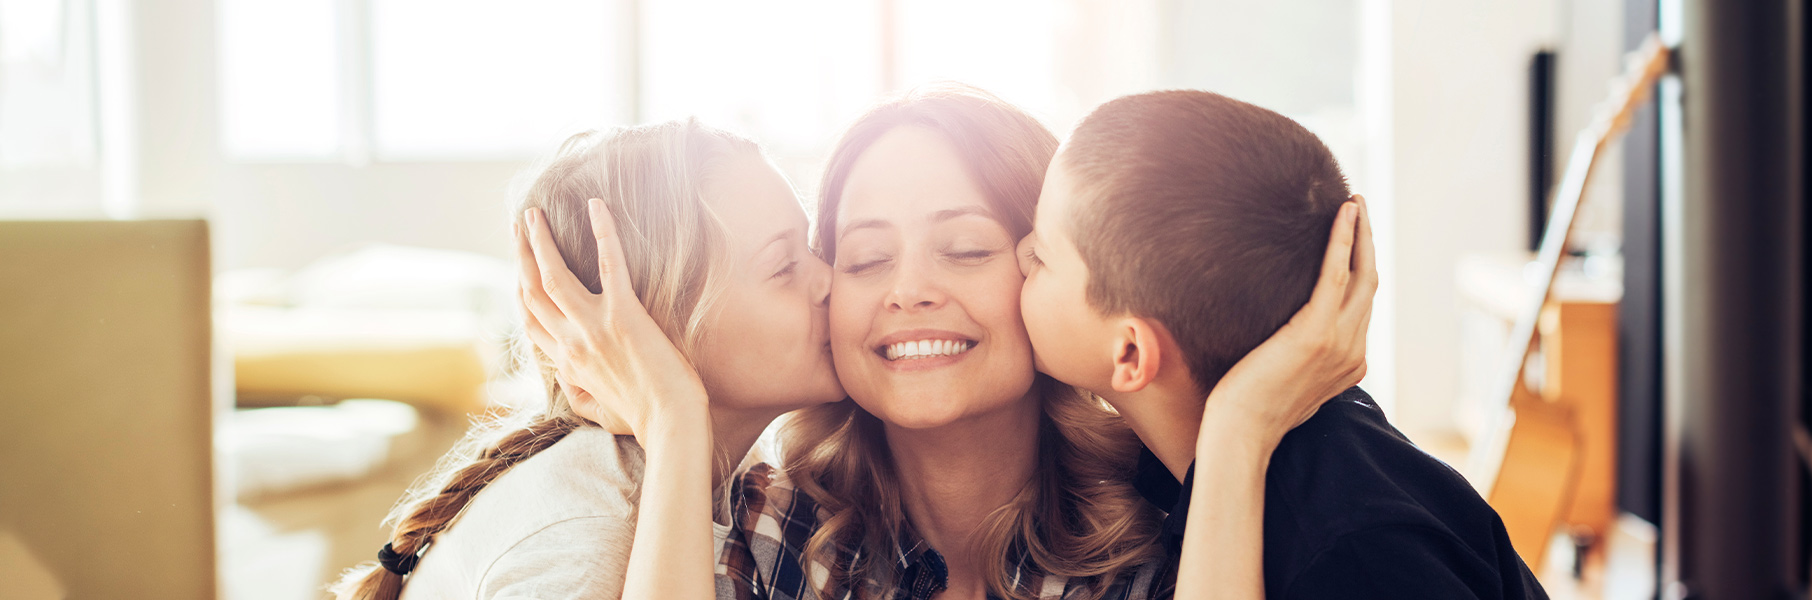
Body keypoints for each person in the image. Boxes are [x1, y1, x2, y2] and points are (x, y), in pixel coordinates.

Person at [520, 83, 1372, 600]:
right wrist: (674, 416)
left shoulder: (1172, 522)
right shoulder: (768, 534)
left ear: (1053, 276)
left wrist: (1236, 431)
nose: (910, 288)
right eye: (862, 257)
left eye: (966, 249)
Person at [1017, 90, 1548, 599]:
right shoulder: (1226, 465)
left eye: (1042, 256)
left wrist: (1238, 424)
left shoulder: (1353, 554)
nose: (1019, 256)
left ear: (1131, 354)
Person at [330, 120, 845, 600]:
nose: (828, 280)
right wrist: (674, 413)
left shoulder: (736, 485)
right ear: (647, 330)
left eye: (812, 248)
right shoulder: (584, 534)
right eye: (783, 268)